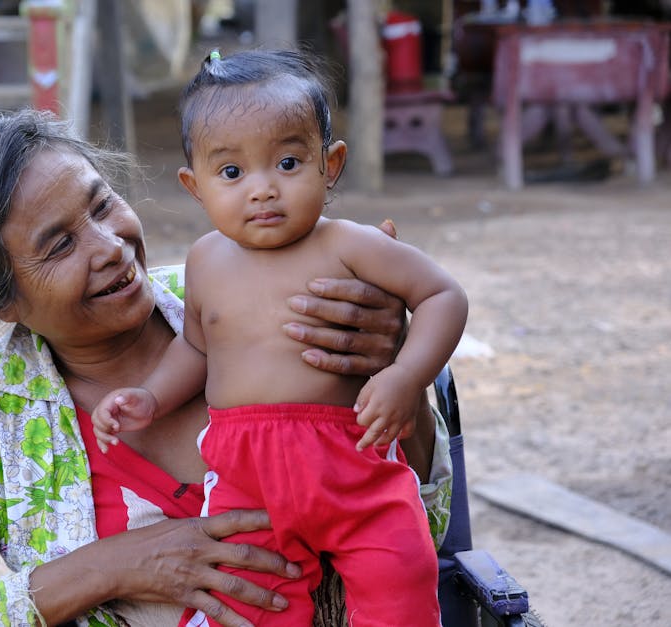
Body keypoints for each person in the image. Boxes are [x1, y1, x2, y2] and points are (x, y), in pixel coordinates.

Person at [0, 107, 453, 627]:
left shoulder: (250, 303)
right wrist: (108, 568)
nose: (111, 246)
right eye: (60, 244)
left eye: (102, 205)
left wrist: (395, 368)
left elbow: (426, 528)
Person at [90, 49, 468, 627]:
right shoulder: (205, 261)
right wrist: (152, 396)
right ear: (195, 186)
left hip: (353, 461)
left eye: (288, 162)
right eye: (233, 173)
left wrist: (403, 374)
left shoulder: (351, 244)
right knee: (246, 601)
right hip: (247, 479)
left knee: (401, 573)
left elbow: (443, 296)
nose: (263, 189)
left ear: (330, 163)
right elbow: (195, 349)